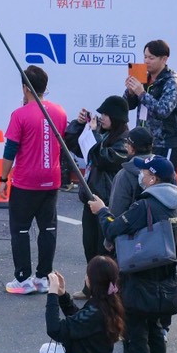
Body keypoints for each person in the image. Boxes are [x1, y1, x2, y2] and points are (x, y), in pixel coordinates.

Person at [88, 155, 177, 353]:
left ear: (153, 178)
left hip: (139, 284)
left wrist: (102, 212)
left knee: (136, 338)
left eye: (143, 173)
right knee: (156, 333)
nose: (140, 176)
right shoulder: (175, 204)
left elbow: (113, 228)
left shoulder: (145, 205)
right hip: (166, 283)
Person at [0, 65, 69, 295]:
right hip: (52, 179)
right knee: (48, 228)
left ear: (24, 88)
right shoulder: (59, 111)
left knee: (20, 229)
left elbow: (10, 150)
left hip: (25, 182)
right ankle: (43, 277)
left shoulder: (20, 115)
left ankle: (22, 279)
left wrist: (2, 178)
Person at [43, 256, 125, 353]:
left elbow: (55, 329)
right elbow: (80, 321)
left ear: (92, 281)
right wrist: (63, 295)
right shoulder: (107, 304)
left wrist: (53, 294)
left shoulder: (95, 312)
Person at [65, 95, 132, 265]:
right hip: (90, 198)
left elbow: (102, 158)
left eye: (105, 115)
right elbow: (72, 144)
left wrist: (94, 133)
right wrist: (80, 124)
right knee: (89, 247)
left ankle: (105, 290)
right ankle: (90, 287)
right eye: (100, 114)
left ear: (115, 117)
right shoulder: (103, 134)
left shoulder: (124, 142)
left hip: (107, 203)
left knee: (104, 252)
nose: (101, 118)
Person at [123, 40, 177, 177]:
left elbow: (163, 111)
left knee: (162, 182)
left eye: (151, 58)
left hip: (165, 144)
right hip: (144, 143)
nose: (147, 61)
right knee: (141, 183)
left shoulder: (172, 82)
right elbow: (127, 106)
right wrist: (130, 92)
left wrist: (142, 93)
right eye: (145, 57)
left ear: (164, 59)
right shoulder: (143, 77)